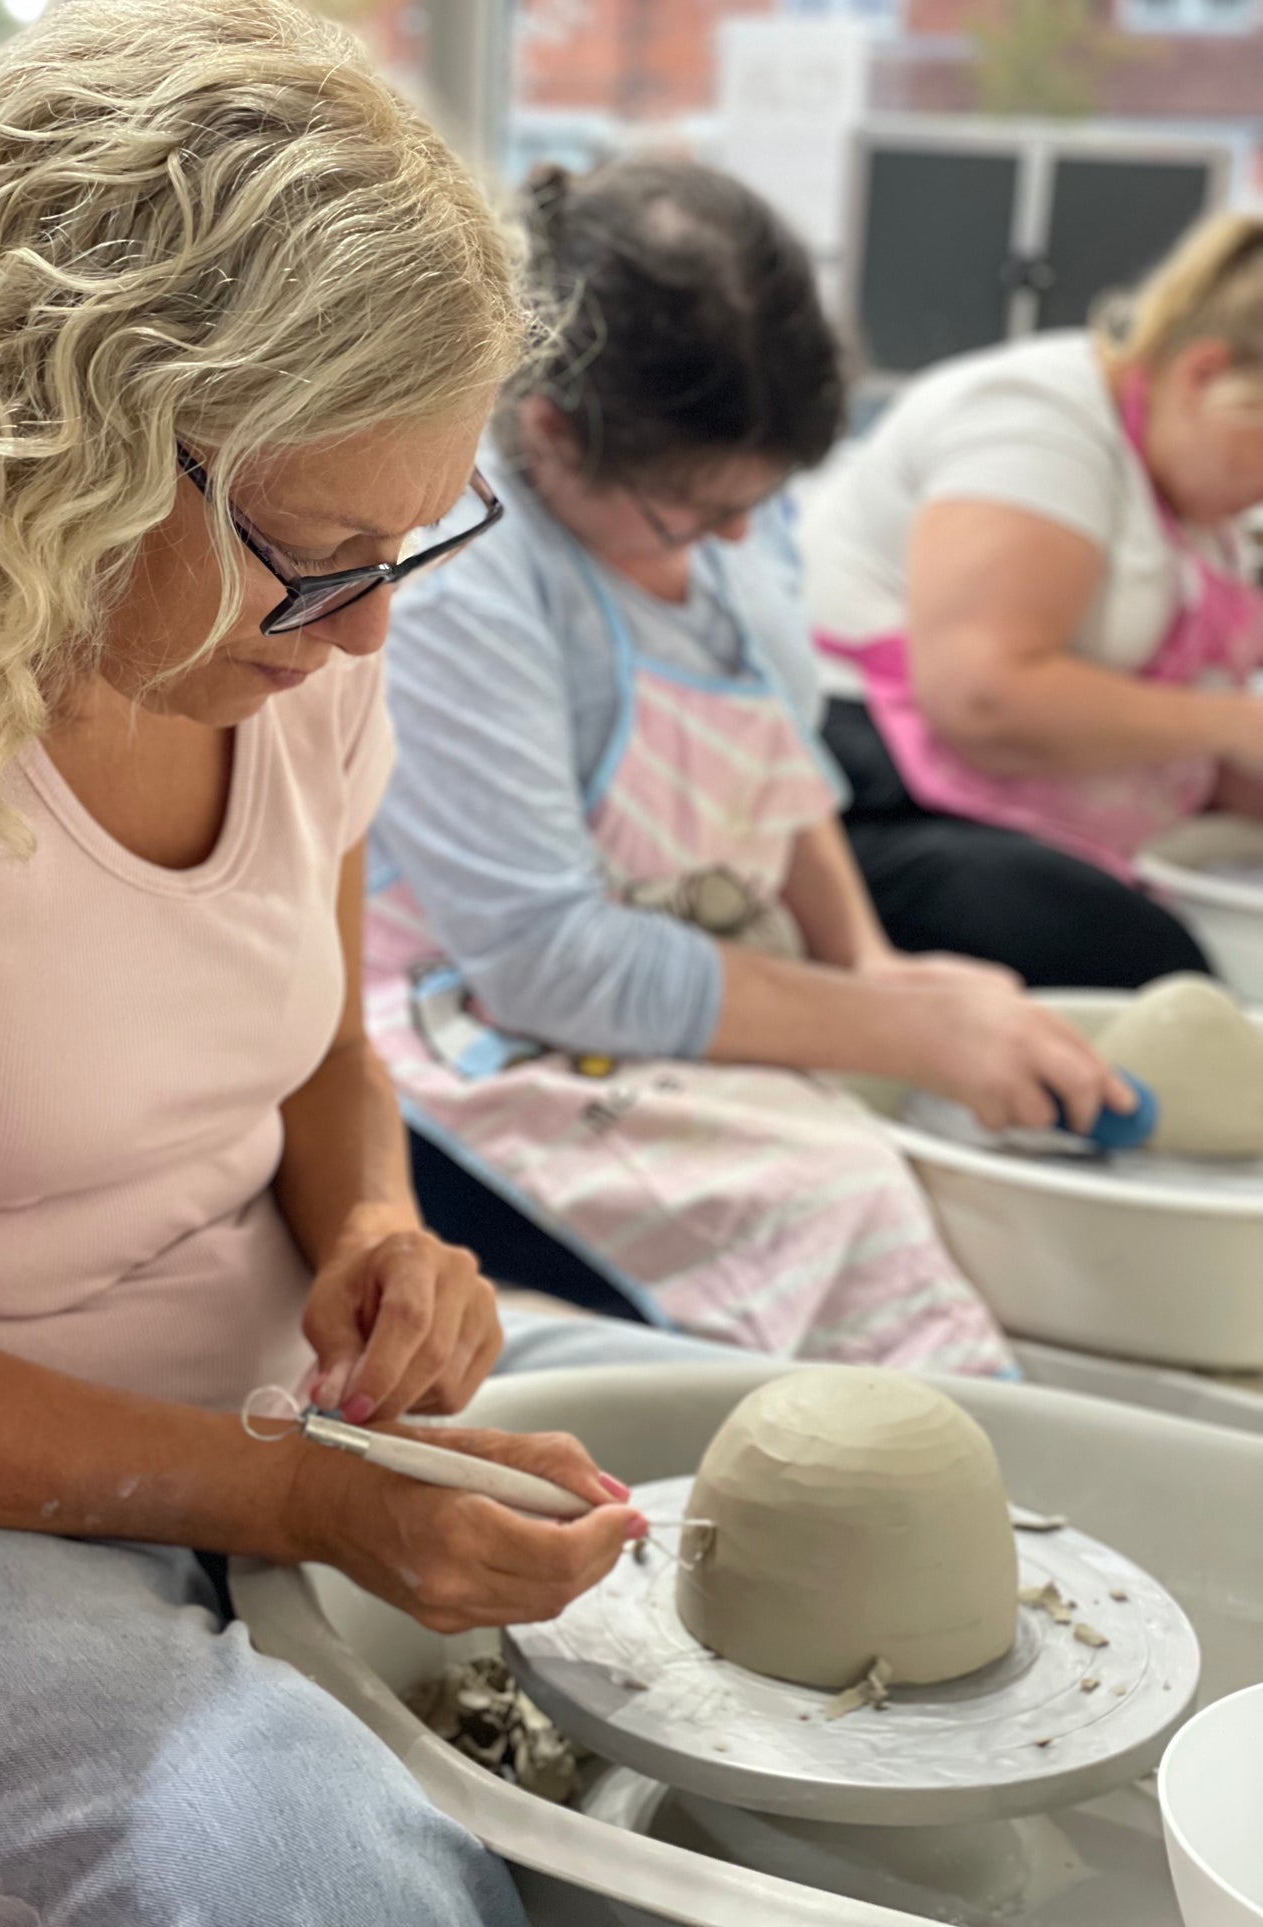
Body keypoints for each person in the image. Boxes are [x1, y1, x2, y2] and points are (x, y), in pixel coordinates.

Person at [0, 11, 750, 1922]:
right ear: (61, 440)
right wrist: (303, 1493)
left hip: (279, 1396)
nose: (369, 626)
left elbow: (323, 1058)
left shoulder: (300, 666)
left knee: (773, 1471)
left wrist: (379, 1241)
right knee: (337, 1877)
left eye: (415, 543)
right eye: (322, 551)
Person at [369, 158, 1128, 1364]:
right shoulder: (463, 575)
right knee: (849, 1199)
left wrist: (872, 969)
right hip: (483, 1027)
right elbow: (546, 961)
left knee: (966, 1124)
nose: (735, 537)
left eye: (758, 504)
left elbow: (769, 760)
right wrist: (907, 1038)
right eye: (691, 516)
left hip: (672, 968)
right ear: (547, 427)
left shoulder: (726, 509)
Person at [799, 212, 1263, 989]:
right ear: (1204, 375)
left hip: (1019, 812)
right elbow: (984, 699)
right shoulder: (1036, 422)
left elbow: (1165, 734)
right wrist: (1237, 725)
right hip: (864, 807)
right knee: (1154, 967)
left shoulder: (1198, 502)